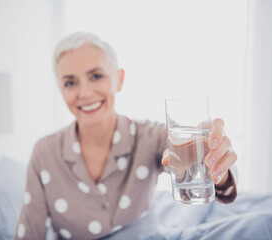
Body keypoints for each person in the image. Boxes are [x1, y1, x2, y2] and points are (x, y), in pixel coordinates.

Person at [14, 32, 238, 239]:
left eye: (96, 76)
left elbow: (188, 153)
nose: (85, 93)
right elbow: (29, 234)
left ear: (119, 80)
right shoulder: (45, 153)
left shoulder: (149, 136)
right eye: (70, 83)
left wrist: (214, 163)